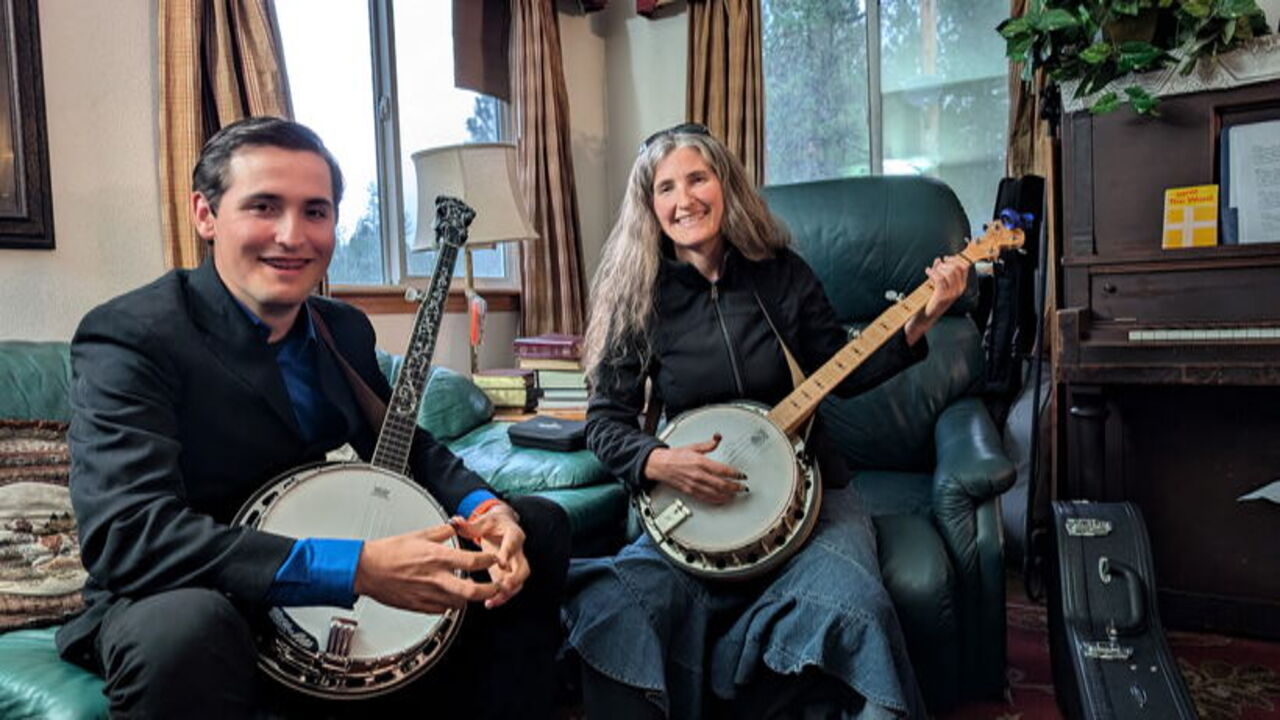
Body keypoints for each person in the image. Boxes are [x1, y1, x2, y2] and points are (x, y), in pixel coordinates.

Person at [55, 116, 570, 718]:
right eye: (265, 206)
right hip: (192, 588)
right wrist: (357, 567)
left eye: (316, 212)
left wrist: (487, 509)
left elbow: (404, 442)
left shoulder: (339, 327)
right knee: (186, 628)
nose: (292, 234)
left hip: (325, 571)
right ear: (206, 215)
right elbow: (131, 535)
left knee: (540, 525)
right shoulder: (133, 337)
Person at [562, 124, 969, 719]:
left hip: (812, 500)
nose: (685, 200)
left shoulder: (782, 273)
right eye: (667, 188)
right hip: (693, 511)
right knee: (618, 611)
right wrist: (660, 461)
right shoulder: (639, 297)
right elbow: (604, 422)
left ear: (725, 184)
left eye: (698, 178)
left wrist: (923, 318)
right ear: (650, 208)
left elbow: (841, 368)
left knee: (857, 609)